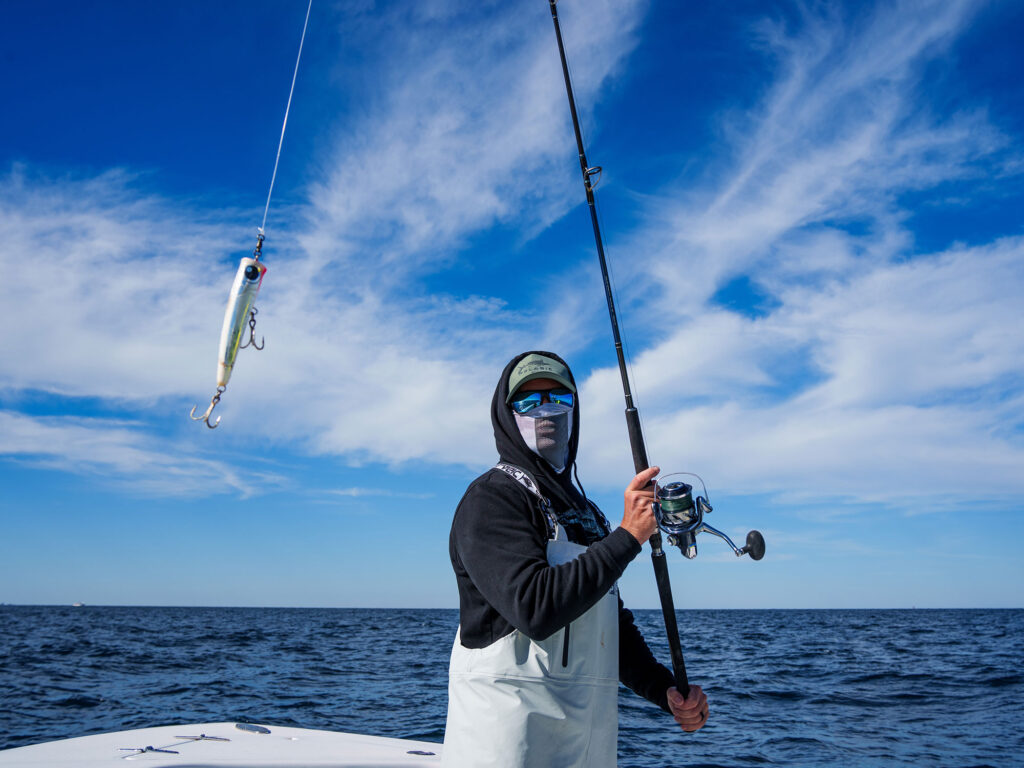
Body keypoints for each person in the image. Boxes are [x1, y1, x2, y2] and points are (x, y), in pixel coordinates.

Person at [442, 351, 708, 768]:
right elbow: (534, 607)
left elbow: (608, 625)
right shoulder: (492, 499)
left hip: (587, 743)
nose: (545, 410)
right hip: (508, 742)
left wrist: (664, 690)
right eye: (528, 402)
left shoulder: (587, 511)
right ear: (506, 414)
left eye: (558, 398)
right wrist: (628, 536)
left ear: (574, 409)